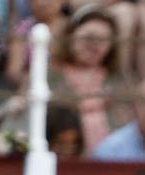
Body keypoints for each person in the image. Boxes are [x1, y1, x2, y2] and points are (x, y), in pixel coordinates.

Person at [56, 11, 131, 156]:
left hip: (113, 162)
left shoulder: (120, 80)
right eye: (89, 37)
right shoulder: (49, 73)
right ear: (71, 35)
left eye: (103, 40)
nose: (94, 45)